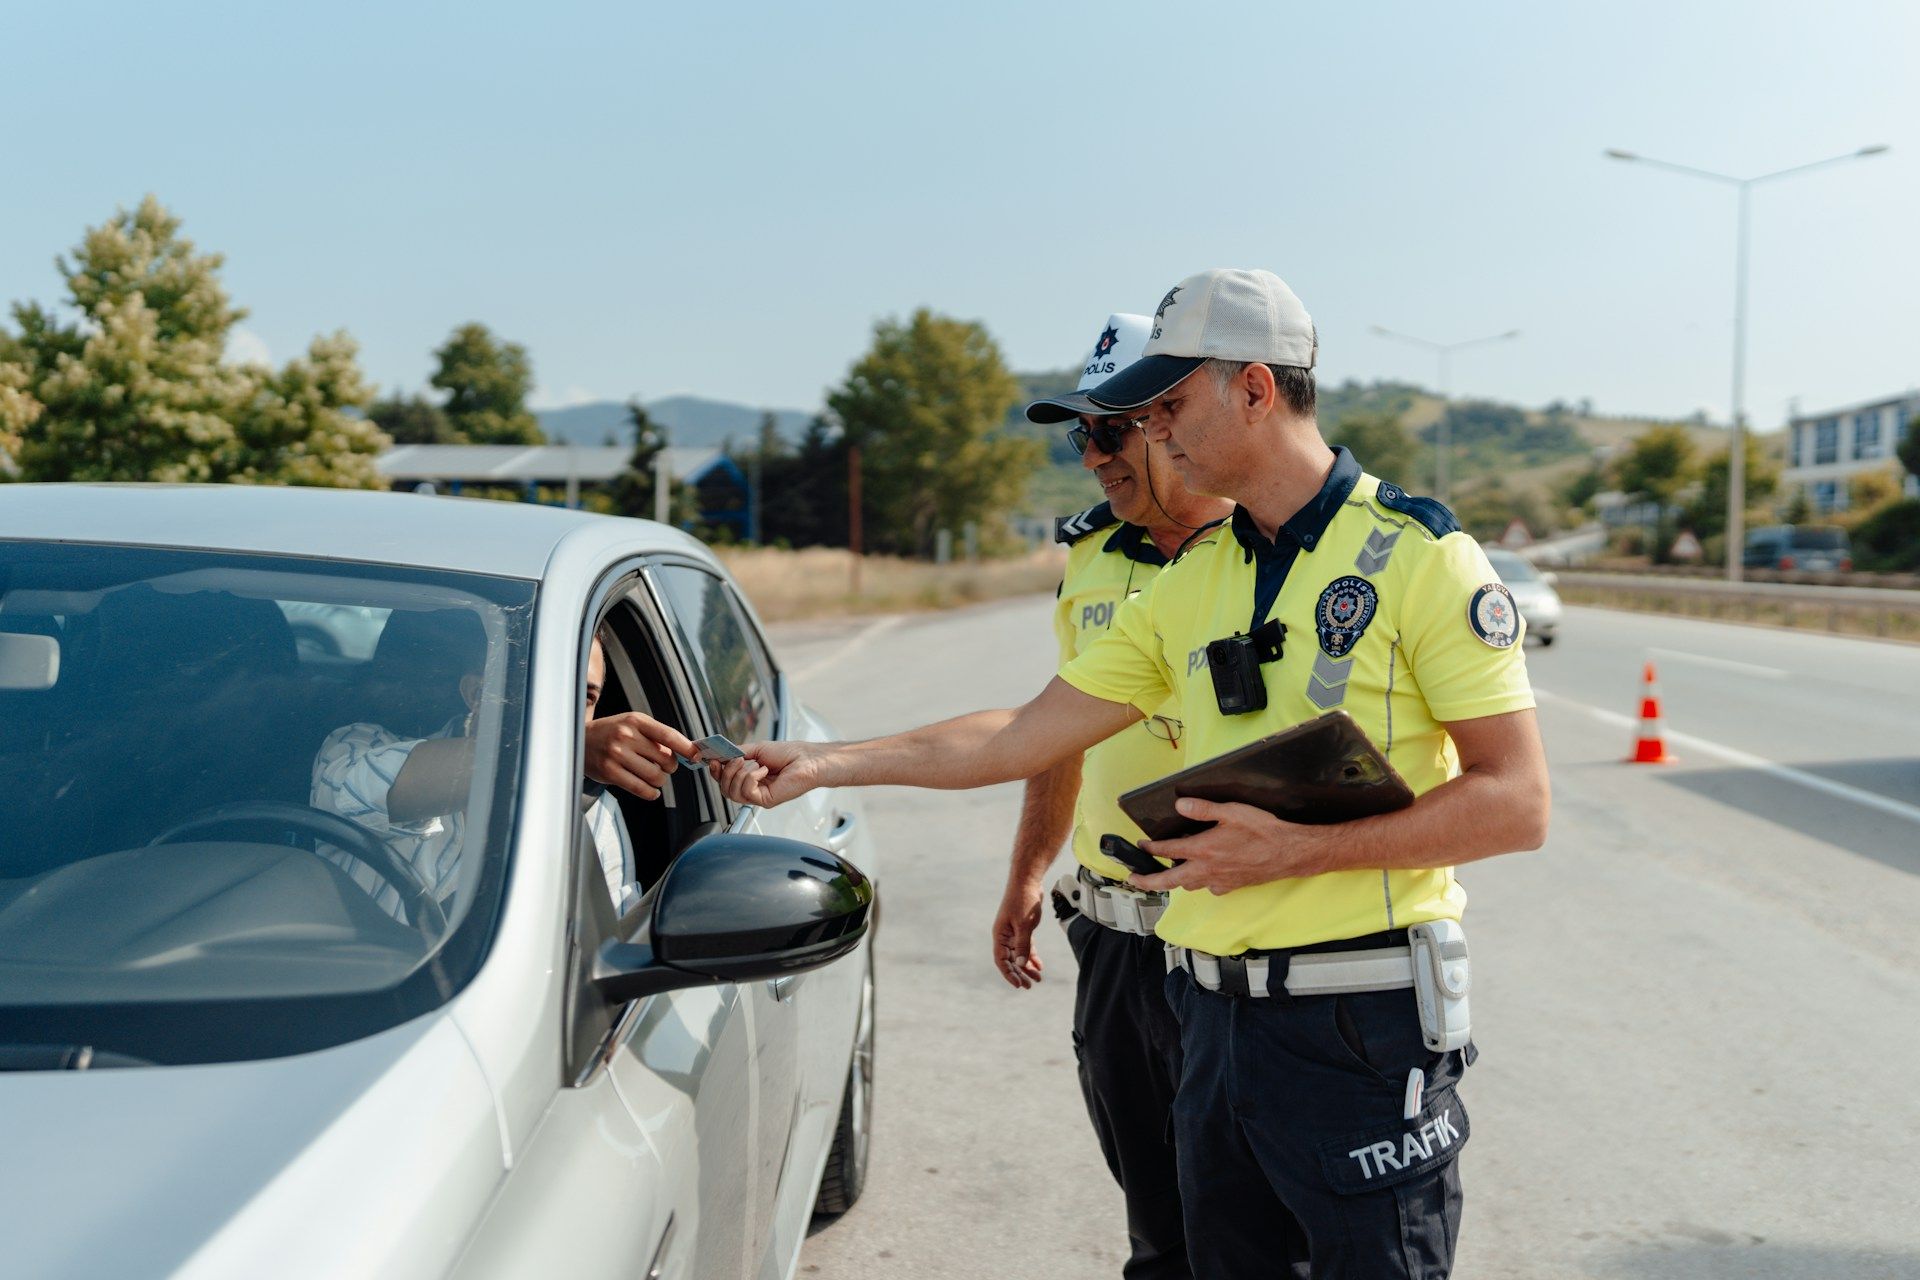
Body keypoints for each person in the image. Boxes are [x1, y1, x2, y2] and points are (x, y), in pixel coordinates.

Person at [717, 269, 1550, 1279]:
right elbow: (1025, 731)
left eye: (1168, 405)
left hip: (1358, 1020)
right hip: (1206, 1019)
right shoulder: (1195, 577)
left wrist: (1300, 848)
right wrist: (825, 760)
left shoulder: (1421, 557)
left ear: (1254, 388)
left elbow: (1516, 801)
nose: (1151, 432)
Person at [999, 310, 1231, 1279]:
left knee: (1251, 1223)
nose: (1088, 456)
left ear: (1172, 422)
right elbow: (1058, 731)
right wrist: (1027, 873)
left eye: (1106, 430)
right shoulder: (1091, 555)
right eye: (1077, 434)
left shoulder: (1271, 551)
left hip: (1233, 937)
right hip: (1114, 936)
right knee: (1156, 1222)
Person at [313, 613, 693, 921]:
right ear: (476, 694)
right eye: (543, 686)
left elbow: (614, 952)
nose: (567, 711)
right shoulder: (357, 744)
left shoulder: (590, 812)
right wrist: (559, 745)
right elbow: (356, 792)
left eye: (585, 697)